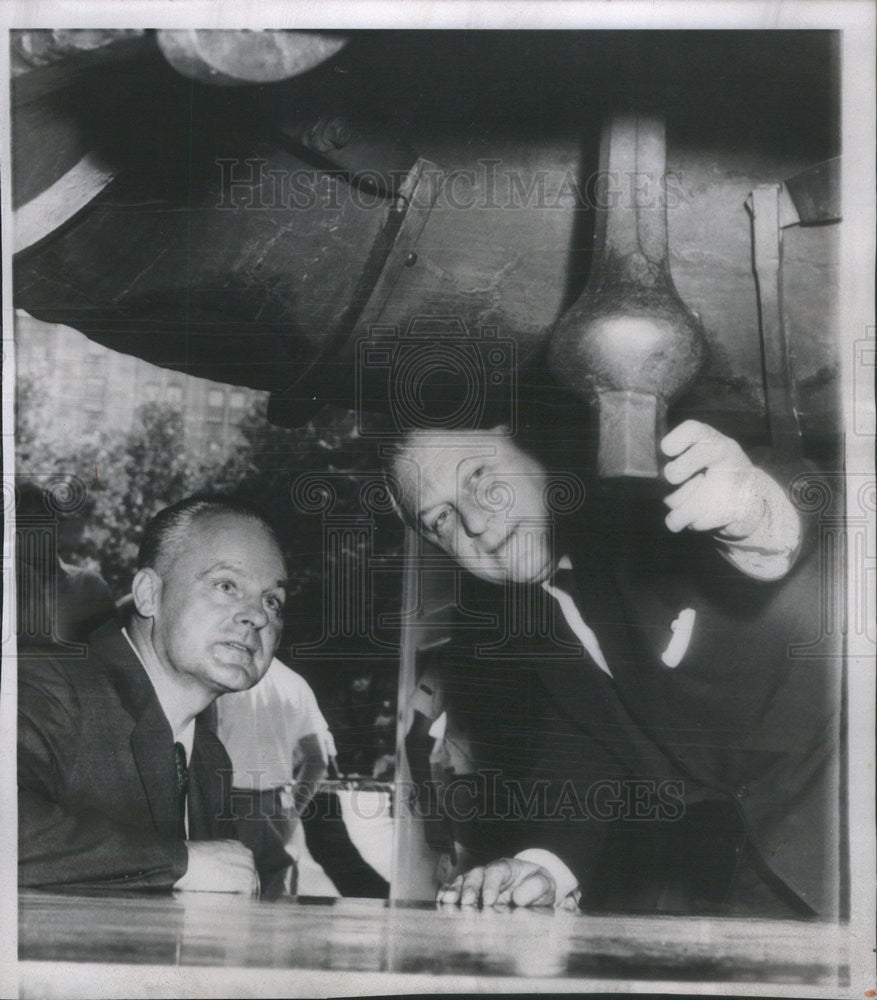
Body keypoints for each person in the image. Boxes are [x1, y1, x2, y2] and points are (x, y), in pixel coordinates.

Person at [389, 420, 838, 917]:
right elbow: (581, 749)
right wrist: (543, 866)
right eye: (440, 519)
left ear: (533, 449)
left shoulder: (645, 504)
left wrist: (755, 514)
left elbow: (794, 503)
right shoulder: (530, 618)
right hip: (771, 879)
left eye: (478, 475)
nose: (474, 522)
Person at [18, 495, 288, 893]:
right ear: (148, 594)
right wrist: (180, 862)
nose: (259, 615)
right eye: (227, 585)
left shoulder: (210, 757)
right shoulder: (49, 690)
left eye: (273, 600)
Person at [214, 657, 331, 897]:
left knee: (217, 899)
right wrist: (291, 812)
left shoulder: (220, 676)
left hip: (224, 804)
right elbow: (318, 761)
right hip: (274, 808)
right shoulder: (294, 683)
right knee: (269, 905)